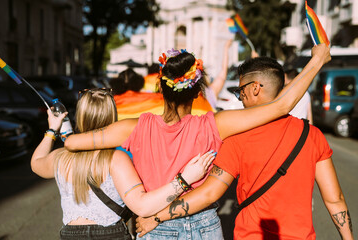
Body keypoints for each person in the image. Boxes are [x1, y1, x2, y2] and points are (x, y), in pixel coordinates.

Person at [64, 44, 331, 239]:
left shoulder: (133, 128)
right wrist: (317, 60)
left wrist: (56, 131)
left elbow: (73, 143)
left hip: (155, 227)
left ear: (162, 88)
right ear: (198, 91)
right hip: (205, 227)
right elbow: (282, 106)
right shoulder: (216, 124)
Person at [135, 56, 353, 240]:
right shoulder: (312, 135)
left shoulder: (237, 138)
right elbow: (335, 200)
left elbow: (210, 193)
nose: (240, 99)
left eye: (241, 91)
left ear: (255, 88)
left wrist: (157, 217)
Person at [31, 88, 216, 240]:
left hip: (69, 235)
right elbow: (142, 206)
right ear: (112, 116)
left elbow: (36, 163)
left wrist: (51, 130)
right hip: (110, 235)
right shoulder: (116, 159)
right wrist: (185, 179)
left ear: (79, 115)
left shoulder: (61, 157)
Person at [205, 39, 233, 109]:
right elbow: (224, 70)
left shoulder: (187, 95)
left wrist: (226, 48)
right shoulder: (211, 92)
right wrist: (226, 48)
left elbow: (223, 70)